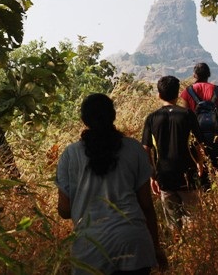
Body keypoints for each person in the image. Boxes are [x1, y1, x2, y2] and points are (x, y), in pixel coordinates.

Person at [56, 93, 167, 274]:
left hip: (90, 249)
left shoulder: (70, 154)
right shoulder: (134, 149)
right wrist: (156, 247)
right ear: (113, 116)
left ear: (84, 120)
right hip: (133, 244)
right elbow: (146, 205)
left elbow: (65, 210)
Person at [142, 76, 207, 234]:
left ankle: (179, 250)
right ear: (178, 94)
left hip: (164, 176)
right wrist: (200, 164)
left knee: (173, 223)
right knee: (193, 219)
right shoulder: (187, 114)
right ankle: (194, 252)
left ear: (159, 95)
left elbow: (145, 149)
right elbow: (199, 144)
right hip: (187, 174)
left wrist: (152, 176)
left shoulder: (152, 118)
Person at [179, 62, 218, 171]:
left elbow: (185, 117)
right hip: (216, 137)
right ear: (209, 74)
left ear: (194, 75)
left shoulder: (187, 92)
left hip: (195, 138)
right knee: (217, 170)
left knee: (198, 170)